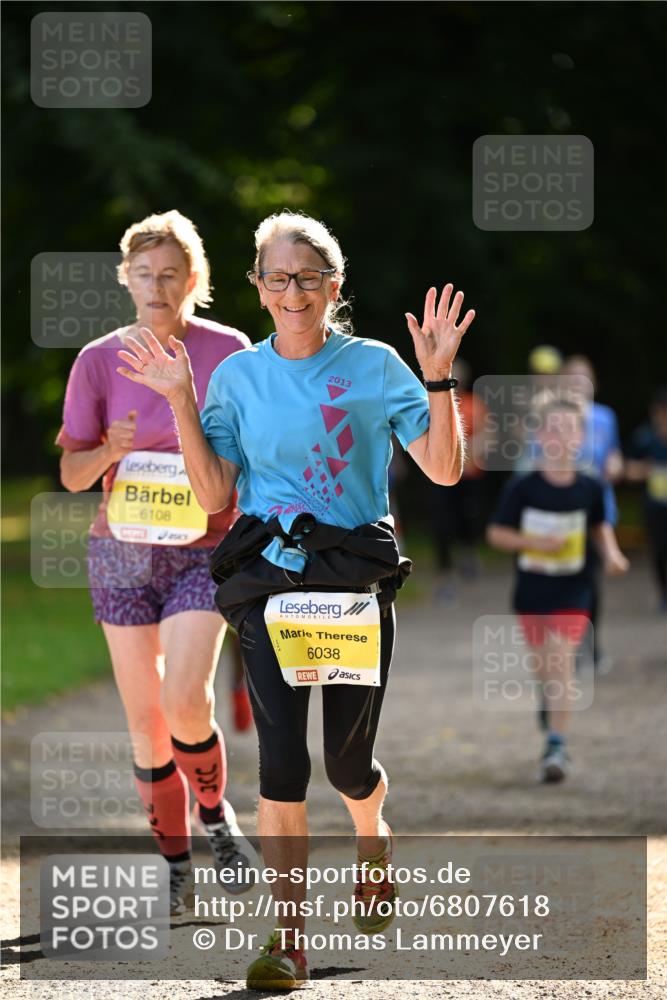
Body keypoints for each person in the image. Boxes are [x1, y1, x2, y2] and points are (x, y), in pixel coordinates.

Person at [116, 209, 475, 990]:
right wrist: (181, 401)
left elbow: (444, 470)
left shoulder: (376, 365)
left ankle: (372, 833)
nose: (292, 292)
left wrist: (439, 376)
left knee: (347, 766)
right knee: (281, 765)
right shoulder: (239, 376)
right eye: (277, 278)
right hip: (267, 580)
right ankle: (287, 938)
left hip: (349, 576)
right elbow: (212, 493)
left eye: (307, 278)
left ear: (332, 285)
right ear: (256, 286)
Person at [57, 210, 255, 915]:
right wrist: (109, 450)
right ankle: (176, 864)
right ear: (127, 280)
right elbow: (73, 475)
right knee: (145, 722)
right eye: (143, 274)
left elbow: (252, 454)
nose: (156, 285)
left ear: (193, 279)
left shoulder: (228, 352)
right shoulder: (97, 359)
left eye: (170, 273)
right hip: (121, 554)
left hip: (203, 549)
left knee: (184, 702)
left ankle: (216, 818)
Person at [487, 392, 629, 783]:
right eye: (552, 427)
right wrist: (531, 543)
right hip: (532, 591)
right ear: (538, 434)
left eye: (569, 429)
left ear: (581, 438)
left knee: (561, 660)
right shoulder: (523, 487)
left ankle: (556, 744)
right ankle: (549, 703)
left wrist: (613, 554)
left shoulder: (590, 488)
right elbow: (497, 534)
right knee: (544, 666)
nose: (560, 435)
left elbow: (600, 526)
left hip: (575, 589)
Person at [561, 355, 623, 668]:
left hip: (598, 511)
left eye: (583, 378)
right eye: (572, 378)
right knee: (567, 580)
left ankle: (593, 646)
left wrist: (616, 464)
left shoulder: (605, 418)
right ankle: (568, 649)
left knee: (592, 581)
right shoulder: (553, 418)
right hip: (564, 512)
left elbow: (614, 455)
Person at [428, 358, 487, 601]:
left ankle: (468, 554)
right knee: (443, 521)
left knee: (469, 517)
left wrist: (464, 454)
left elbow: (485, 435)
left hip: (469, 473)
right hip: (442, 474)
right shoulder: (435, 402)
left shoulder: (474, 405)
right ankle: (445, 574)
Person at [626, 386, 667, 612]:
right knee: (659, 550)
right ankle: (664, 592)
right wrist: (645, 469)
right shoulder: (645, 437)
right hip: (654, 505)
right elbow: (628, 469)